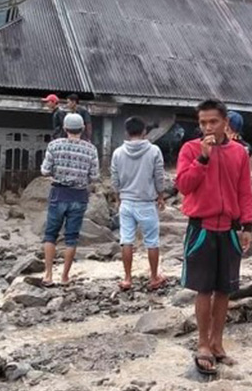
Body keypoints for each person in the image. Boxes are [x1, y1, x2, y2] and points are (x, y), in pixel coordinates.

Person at [175, 99, 252, 376]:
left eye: (213, 122)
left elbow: (245, 191)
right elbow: (184, 186)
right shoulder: (190, 149)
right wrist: (203, 159)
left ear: (225, 123)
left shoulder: (239, 153)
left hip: (230, 229)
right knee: (203, 289)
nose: (208, 127)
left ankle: (218, 344)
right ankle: (203, 345)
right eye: (203, 122)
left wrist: (247, 226)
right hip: (201, 228)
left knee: (224, 289)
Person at [40, 112, 99, 287]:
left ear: (65, 128)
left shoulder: (54, 145)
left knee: (50, 235)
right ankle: (65, 276)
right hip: (79, 196)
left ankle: (48, 274)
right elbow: (94, 176)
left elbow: (44, 170)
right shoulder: (91, 149)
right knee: (71, 238)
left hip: (58, 194)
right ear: (82, 129)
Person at [110, 116, 167, 292]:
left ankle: (127, 278)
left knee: (126, 240)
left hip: (127, 201)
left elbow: (115, 178)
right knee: (152, 241)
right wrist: (161, 195)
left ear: (127, 132)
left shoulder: (118, 152)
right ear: (144, 131)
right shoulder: (154, 150)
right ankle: (154, 277)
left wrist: (118, 196)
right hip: (146, 202)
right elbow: (159, 175)